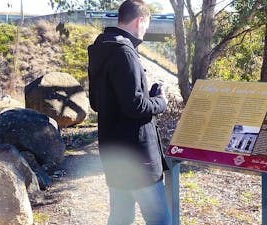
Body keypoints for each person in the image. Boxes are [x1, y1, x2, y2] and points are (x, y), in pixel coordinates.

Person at [87, 0, 171, 224]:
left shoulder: (101, 47)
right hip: (138, 158)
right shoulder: (125, 52)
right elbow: (135, 106)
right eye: (146, 25)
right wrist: (160, 102)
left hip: (114, 155)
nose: (146, 31)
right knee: (160, 220)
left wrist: (147, 96)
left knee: (120, 219)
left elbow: (96, 102)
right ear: (140, 20)